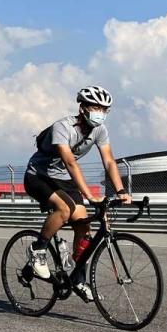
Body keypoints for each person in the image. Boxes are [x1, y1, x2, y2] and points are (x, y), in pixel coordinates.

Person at [23, 86, 131, 300]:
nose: (100, 112)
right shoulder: (62, 127)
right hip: (38, 176)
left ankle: (78, 278)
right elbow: (70, 162)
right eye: (96, 107)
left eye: (104, 109)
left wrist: (120, 190)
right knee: (65, 209)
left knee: (83, 225)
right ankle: (38, 249)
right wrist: (89, 195)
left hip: (64, 180)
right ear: (82, 108)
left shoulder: (100, 131)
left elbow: (109, 161)